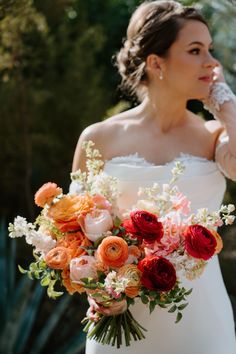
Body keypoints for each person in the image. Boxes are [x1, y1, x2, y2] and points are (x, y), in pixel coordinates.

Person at [71, 1, 236, 353]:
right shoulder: (98, 138)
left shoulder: (215, 136)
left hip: (203, 326)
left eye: (210, 49)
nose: (212, 62)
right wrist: (99, 291)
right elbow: (71, 235)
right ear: (156, 62)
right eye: (195, 50)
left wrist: (226, 104)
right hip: (120, 323)